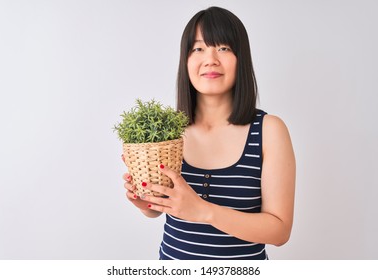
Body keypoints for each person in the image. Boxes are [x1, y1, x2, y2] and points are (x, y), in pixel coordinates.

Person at [122, 6, 296, 260]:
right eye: (198, 48)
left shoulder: (269, 130)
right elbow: (160, 207)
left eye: (223, 48)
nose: (210, 59)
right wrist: (147, 204)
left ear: (241, 58)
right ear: (186, 60)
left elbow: (279, 230)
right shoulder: (169, 131)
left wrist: (204, 211)